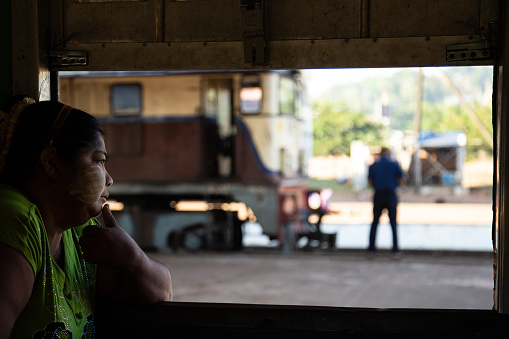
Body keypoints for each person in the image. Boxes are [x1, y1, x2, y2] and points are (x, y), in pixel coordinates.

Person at [0, 98, 172, 338]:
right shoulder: (16, 220)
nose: (109, 179)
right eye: (99, 161)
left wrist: (134, 259)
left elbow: (162, 292)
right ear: (51, 163)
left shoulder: (79, 233)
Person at [367, 147, 404, 259]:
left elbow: (369, 181)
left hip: (378, 194)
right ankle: (395, 251)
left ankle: (371, 250)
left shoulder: (373, 165)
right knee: (393, 224)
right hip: (390, 194)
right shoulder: (394, 164)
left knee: (374, 223)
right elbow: (401, 179)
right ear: (388, 154)